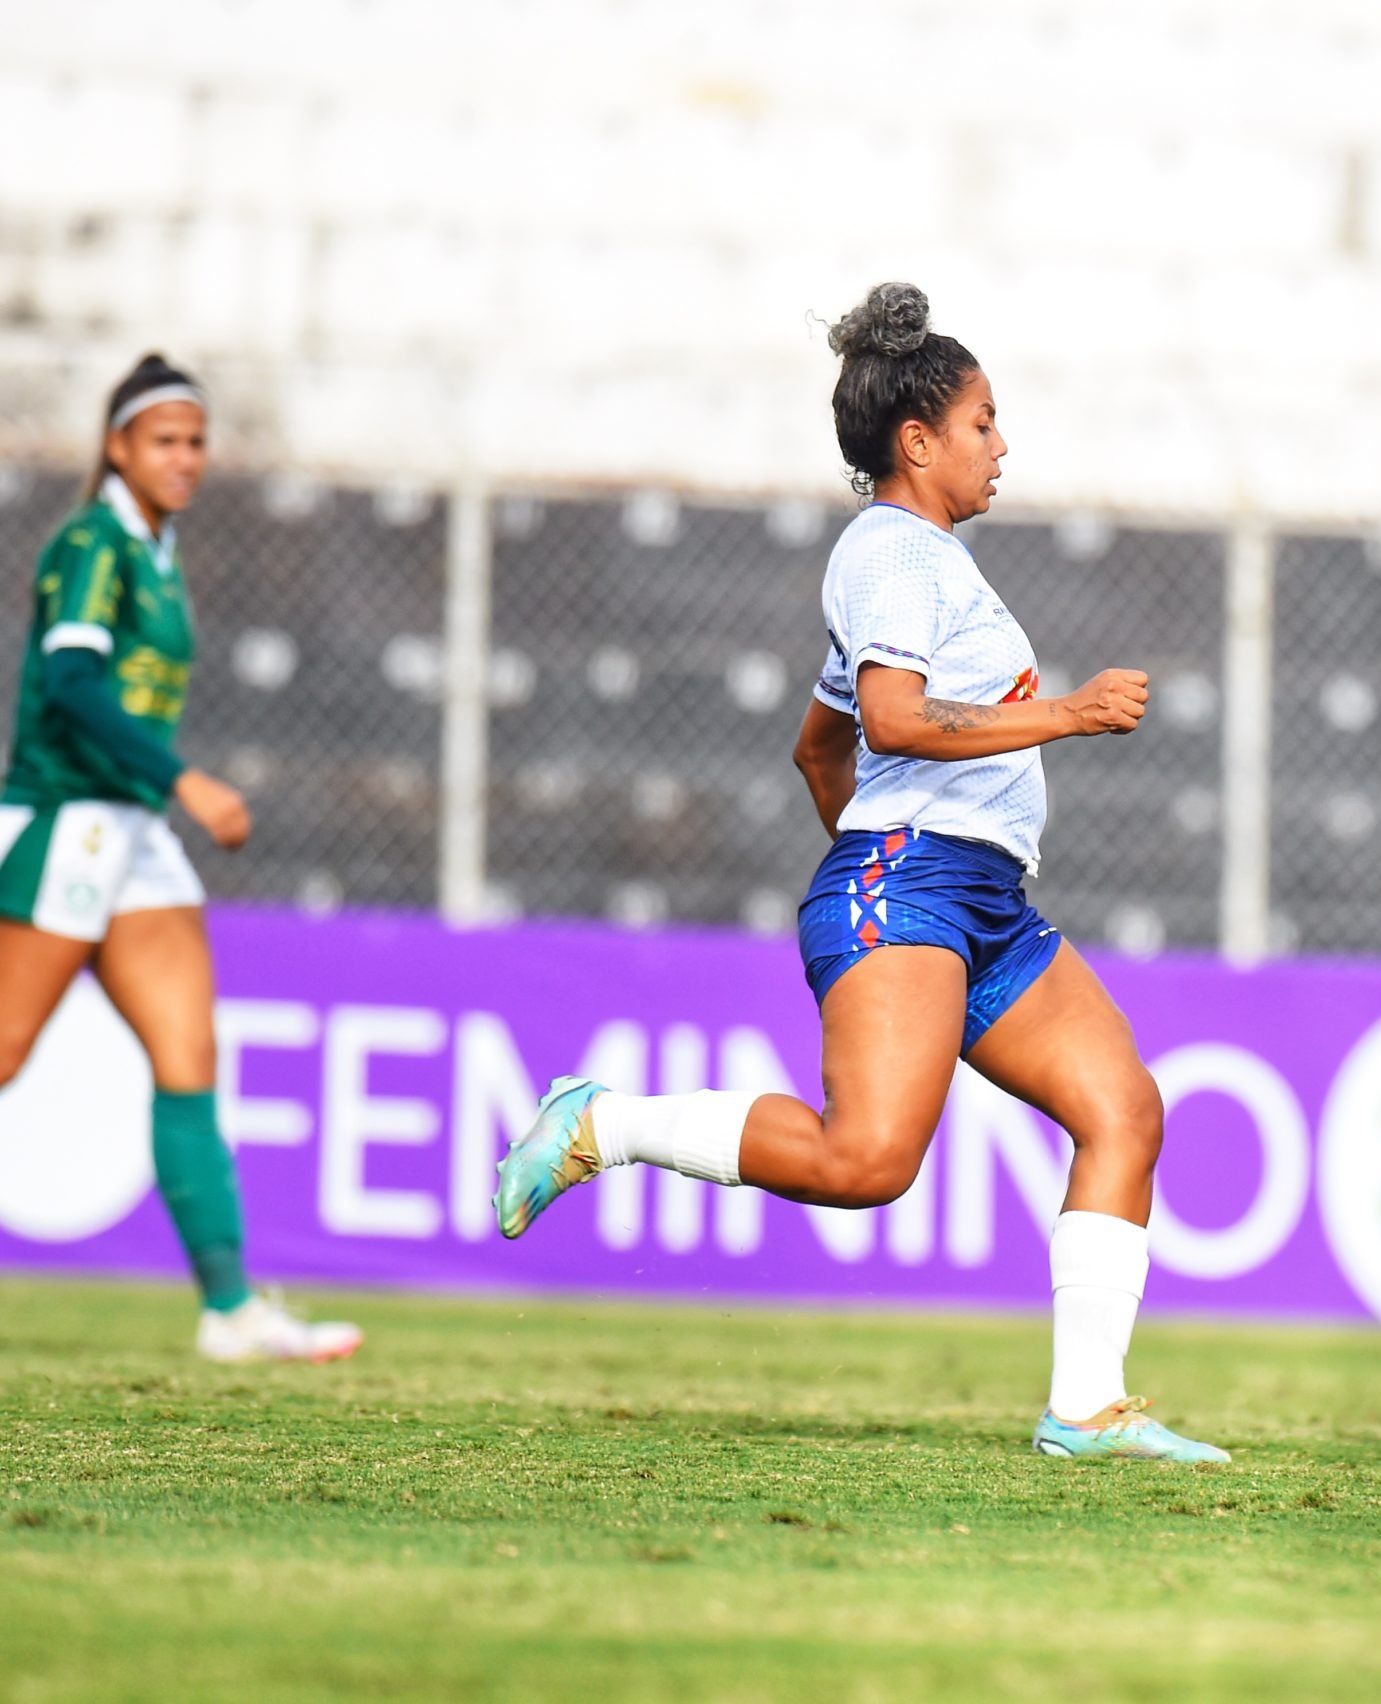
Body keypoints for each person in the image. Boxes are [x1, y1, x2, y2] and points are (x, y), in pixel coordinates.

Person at [495, 284, 1226, 1463]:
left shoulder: (925, 566)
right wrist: (1065, 719)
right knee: (867, 1162)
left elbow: (820, 746)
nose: (1001, 445)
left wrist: (888, 850)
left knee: (1122, 1111)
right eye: (983, 422)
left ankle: (1086, 1408)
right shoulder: (890, 552)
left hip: (976, 901)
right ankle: (603, 1123)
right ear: (918, 442)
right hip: (917, 885)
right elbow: (890, 721)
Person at [0, 354, 360, 1363]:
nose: (185, 457)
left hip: (133, 832)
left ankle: (231, 1309)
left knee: (188, 1059)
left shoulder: (157, 550)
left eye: (196, 440)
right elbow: (70, 683)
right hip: (69, 819)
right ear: (118, 446)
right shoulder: (93, 542)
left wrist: (159, 793)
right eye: (164, 439)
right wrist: (184, 779)